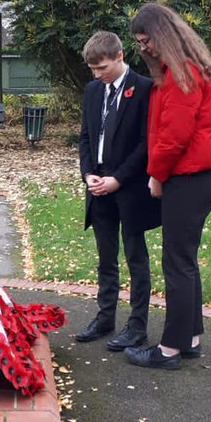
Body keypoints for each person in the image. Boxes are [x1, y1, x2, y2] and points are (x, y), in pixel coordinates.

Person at [125, 1, 211, 370]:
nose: (143, 48)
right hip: (198, 175)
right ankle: (191, 338)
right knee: (185, 260)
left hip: (188, 177)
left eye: (145, 40)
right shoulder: (184, 69)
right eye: (139, 42)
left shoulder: (182, 76)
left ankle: (170, 349)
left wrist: (156, 175)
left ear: (162, 35)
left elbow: (173, 137)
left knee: (176, 263)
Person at [77, 30, 161, 350]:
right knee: (106, 257)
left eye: (103, 68)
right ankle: (105, 316)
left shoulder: (143, 89)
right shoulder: (92, 91)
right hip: (97, 185)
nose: (98, 75)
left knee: (135, 256)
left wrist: (119, 179)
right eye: (93, 70)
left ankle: (137, 326)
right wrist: (88, 174)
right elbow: (86, 137)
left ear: (120, 57)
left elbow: (146, 143)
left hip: (130, 188)